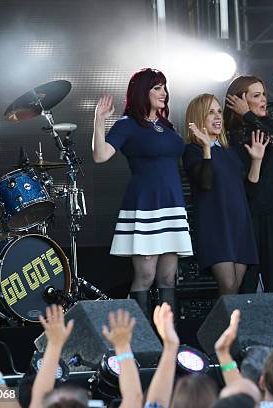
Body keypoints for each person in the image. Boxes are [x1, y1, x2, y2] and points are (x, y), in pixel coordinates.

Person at [92, 68, 192, 317]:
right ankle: (140, 344)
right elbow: (101, 155)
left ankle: (169, 343)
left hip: (172, 204)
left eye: (164, 87)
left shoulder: (167, 126)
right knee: (146, 275)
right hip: (145, 206)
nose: (164, 93)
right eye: (157, 88)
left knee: (169, 278)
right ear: (142, 92)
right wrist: (99, 120)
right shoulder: (128, 124)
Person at [183, 93, 267, 294]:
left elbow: (249, 191)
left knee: (235, 287)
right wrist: (206, 149)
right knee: (228, 285)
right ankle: (222, 326)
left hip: (239, 224)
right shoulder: (192, 151)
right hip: (216, 225)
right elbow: (205, 182)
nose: (218, 116)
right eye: (210, 112)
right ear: (199, 117)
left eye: (219, 111)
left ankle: (228, 326)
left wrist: (256, 161)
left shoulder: (230, 151)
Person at [224, 75, 273, 293]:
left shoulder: (270, 125)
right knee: (247, 282)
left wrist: (248, 114)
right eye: (256, 95)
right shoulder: (231, 135)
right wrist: (245, 116)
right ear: (240, 101)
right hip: (247, 214)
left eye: (263, 94)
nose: (263, 99)